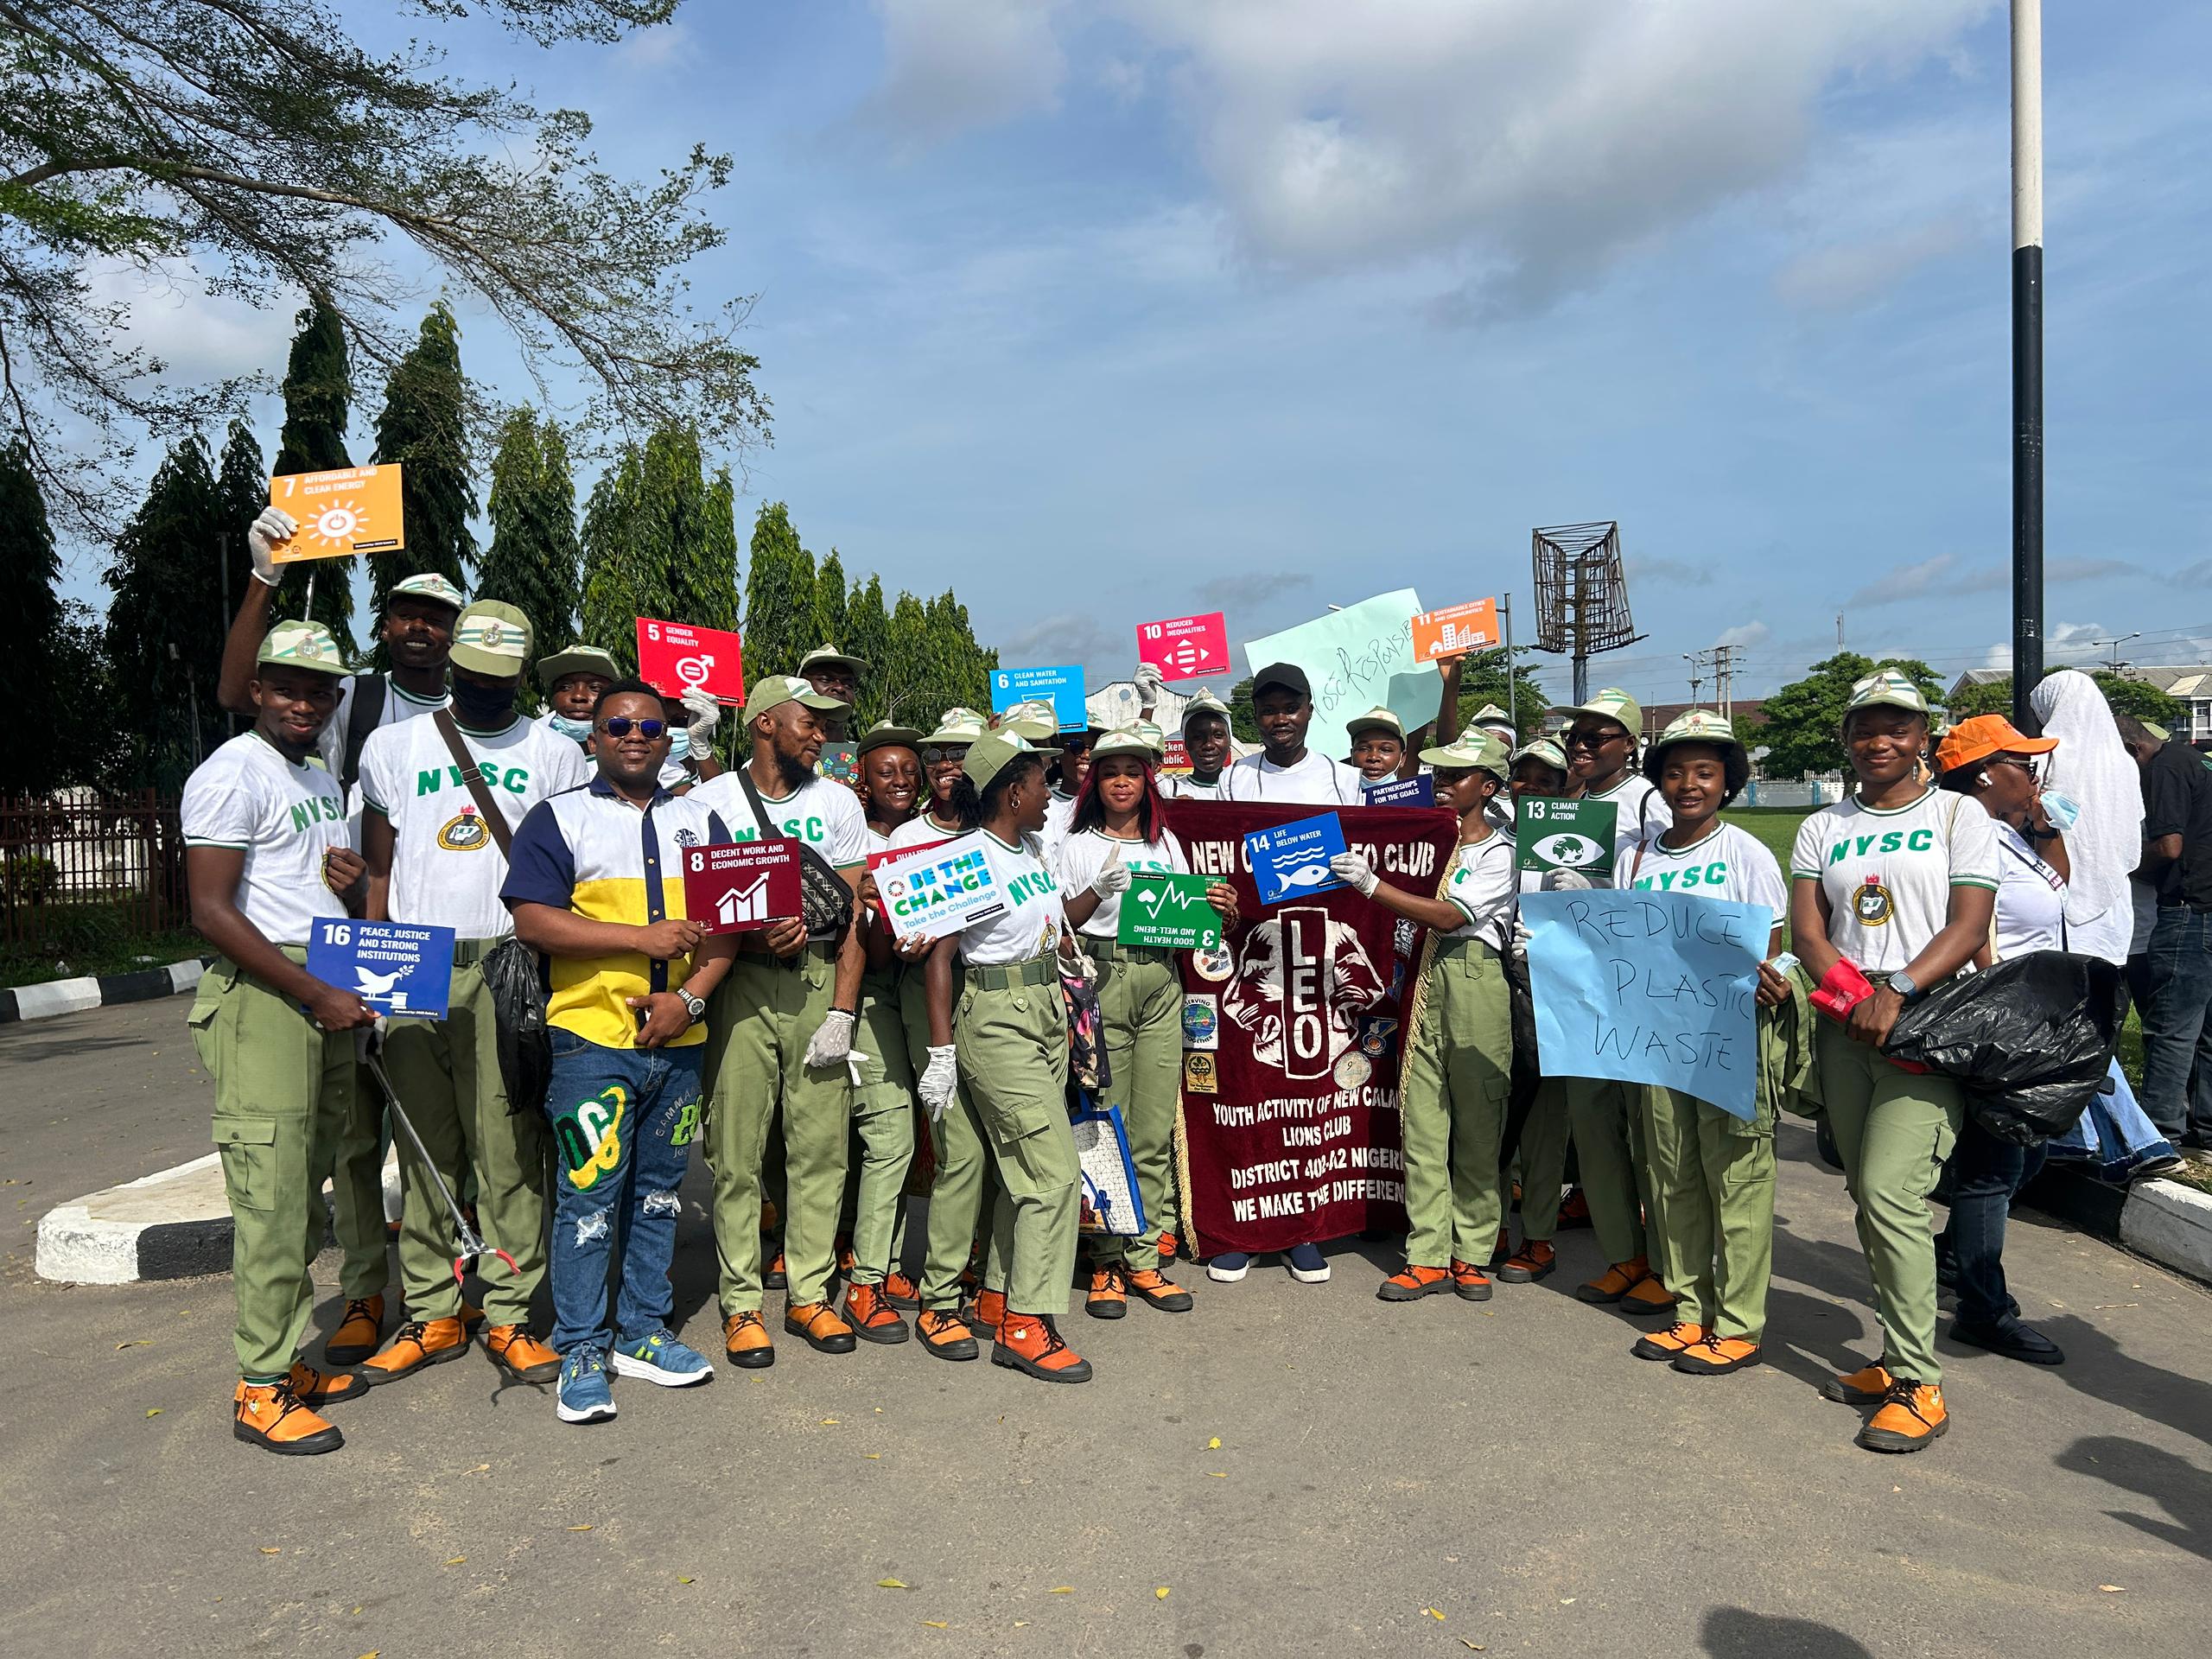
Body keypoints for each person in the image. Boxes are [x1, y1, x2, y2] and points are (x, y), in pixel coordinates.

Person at [217, 512, 466, 1367]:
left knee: (434, 1131)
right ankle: (364, 1291)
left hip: (427, 945)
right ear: (384, 625)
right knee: (356, 1136)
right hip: (350, 946)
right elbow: (239, 692)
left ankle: (440, 1293)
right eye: (407, 613)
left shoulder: (479, 711)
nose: (422, 627)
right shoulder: (345, 699)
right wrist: (265, 579)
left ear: (456, 635)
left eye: (438, 617)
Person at [352, 602, 588, 1389]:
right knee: (423, 1143)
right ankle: (433, 1312)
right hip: (413, 956)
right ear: (452, 661)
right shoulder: (393, 747)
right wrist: (370, 974)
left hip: (509, 959)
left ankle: (510, 1314)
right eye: (473, 674)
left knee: (507, 1145)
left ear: (523, 674)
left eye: (502, 678)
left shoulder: (555, 753)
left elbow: (570, 873)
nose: (486, 689)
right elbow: (379, 869)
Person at [502, 681, 738, 1423]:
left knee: (660, 1192)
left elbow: (729, 923)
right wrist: (639, 939)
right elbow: (533, 921)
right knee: (589, 1196)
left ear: (670, 738)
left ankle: (642, 1331)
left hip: (681, 1041)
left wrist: (687, 1001)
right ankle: (580, 1344)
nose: (635, 736)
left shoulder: (703, 820)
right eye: (618, 725)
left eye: (650, 727)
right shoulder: (559, 817)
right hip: (589, 1042)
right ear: (594, 737)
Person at [1789, 670, 1998, 1453]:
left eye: (1897, 727)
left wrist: (1899, 991)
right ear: (1847, 739)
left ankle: (1919, 1383)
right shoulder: (1823, 825)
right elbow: (1809, 931)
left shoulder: (1958, 815)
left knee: (1889, 1191)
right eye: (1866, 729)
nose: (1880, 741)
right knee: (1865, 1193)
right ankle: (1891, 1355)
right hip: (1848, 1020)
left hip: (1928, 1018)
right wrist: (1856, 1000)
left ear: (1923, 738)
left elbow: (1969, 923)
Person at [185, 620, 377, 1454]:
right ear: (257, 690)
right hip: (269, 998)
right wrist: (312, 993)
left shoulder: (316, 773)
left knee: (302, 1193)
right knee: (270, 1198)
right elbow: (211, 910)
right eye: (288, 688)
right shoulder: (231, 773)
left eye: (319, 691)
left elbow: (304, 883)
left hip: (321, 984)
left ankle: (286, 1359)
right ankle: (259, 1388)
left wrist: (354, 885)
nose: (305, 703)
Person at [691, 676, 870, 1366]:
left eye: (825, 724)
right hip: (737, 984)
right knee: (735, 1152)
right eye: (809, 722)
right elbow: (693, 905)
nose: (821, 735)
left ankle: (809, 1295)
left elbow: (853, 915)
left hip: (816, 983)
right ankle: (741, 1303)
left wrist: (842, 1011)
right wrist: (749, 932)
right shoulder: (710, 801)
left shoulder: (838, 802)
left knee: (819, 1150)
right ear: (765, 723)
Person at [1616, 711, 1796, 1376]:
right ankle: (1690, 1310)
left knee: (1737, 1181)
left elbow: (1772, 948)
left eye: (1705, 772)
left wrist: (1771, 979)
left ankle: (1740, 1325)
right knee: (1672, 1178)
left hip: (1727, 1040)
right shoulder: (1637, 856)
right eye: (1674, 772)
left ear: (1728, 781)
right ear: (1658, 781)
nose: (1688, 784)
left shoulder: (1745, 854)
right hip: (1657, 1039)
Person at [914, 734, 1092, 1382]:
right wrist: (941, 1052)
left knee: (1017, 1172)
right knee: (1053, 1175)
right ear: (1014, 793)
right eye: (1042, 783)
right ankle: (1024, 1324)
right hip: (997, 1019)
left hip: (1044, 1009)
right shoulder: (967, 858)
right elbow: (939, 957)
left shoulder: (1033, 851)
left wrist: (1095, 902)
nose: (1051, 793)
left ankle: (998, 1295)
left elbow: (1049, 924)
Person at [1328, 730, 1517, 1306]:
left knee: (1478, 1125)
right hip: (1418, 979)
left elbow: (1449, 916)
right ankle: (1427, 1253)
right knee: (1422, 1125)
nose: (1442, 784)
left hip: (1472, 975)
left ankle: (1473, 1252)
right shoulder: (1424, 845)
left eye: (1457, 776)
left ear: (1488, 788)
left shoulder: (1501, 852)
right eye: (1439, 774)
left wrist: (1371, 884)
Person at [1057, 727, 1233, 1316]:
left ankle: (1144, 1258)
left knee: (1153, 1129)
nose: (1121, 782)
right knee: (1107, 1124)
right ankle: (1106, 1262)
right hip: (1101, 979)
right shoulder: (1075, 844)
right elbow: (1057, 923)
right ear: (1094, 782)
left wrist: (1221, 910)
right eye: (1110, 772)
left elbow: (1196, 921)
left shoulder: (1167, 844)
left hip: (1160, 979)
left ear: (1147, 781)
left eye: (1132, 772)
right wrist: (1094, 891)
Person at [1929, 714, 2069, 1366]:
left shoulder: (2008, 832)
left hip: (2038, 1018)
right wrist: (2004, 1018)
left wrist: (2045, 826)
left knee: (2027, 1157)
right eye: (2023, 762)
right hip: (2003, 1020)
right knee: (1995, 1166)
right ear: (1985, 773)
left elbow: (2057, 888)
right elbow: (1973, 928)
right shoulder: (1971, 835)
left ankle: (1953, 1253)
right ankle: (1982, 1310)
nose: (2035, 773)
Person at [1547, 690, 1675, 1313]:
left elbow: (1669, 884)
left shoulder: (1649, 801)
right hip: (1575, 980)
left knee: (1649, 1135)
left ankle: (1668, 1264)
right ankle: (1624, 1256)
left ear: (1630, 744)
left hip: (1633, 982)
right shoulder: (1565, 803)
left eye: (1598, 737)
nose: (1582, 746)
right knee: (1594, 1128)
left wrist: (1602, 903)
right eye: (1576, 736)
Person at [843, 719, 928, 1341]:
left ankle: (893, 1262)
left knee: (915, 1135)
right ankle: (866, 1281)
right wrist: (870, 906)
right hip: (871, 995)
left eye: (909, 771)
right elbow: (866, 953)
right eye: (886, 771)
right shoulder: (849, 838)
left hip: (923, 991)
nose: (900, 780)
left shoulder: (928, 837)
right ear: (863, 780)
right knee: (889, 1135)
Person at [1497, 736, 1577, 1285]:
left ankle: (1540, 1238)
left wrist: (1584, 892)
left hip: (1553, 993)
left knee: (1545, 1126)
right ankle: (1492, 1228)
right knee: (1492, 1118)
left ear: (1563, 788)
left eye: (1545, 780)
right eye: (1522, 776)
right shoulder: (1491, 837)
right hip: (1494, 987)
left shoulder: (1581, 844)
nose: (1531, 787)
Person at [2113, 711, 2212, 1155]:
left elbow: (2169, 846)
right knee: (2207, 1031)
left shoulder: (2164, 768)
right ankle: (2205, 1129)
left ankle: (2160, 1133)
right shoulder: (2199, 762)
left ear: (2133, 750)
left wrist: (2123, 866)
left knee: (2172, 1027)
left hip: (2187, 908)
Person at [2029, 671, 2143, 967]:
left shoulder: (2045, 755)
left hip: (2054, 880)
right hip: (2112, 889)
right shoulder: (2125, 761)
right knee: (2105, 981)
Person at [1221, 664, 1365, 804]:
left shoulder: (1345, 781)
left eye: (1291, 709)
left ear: (1309, 712)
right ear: (1256, 717)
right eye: (1268, 711)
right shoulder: (1233, 779)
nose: (1280, 720)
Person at [1160, 689, 1236, 799]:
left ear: (1229, 741)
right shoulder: (1169, 790)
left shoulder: (1245, 789)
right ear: (1186, 744)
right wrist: (1148, 705)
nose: (1209, 745)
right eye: (1197, 737)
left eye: (1218, 736)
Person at [1346, 707, 1408, 786]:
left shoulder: (1419, 794)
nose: (1373, 757)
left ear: (1402, 758)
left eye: (1386, 750)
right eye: (1363, 749)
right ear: (1352, 754)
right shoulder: (1334, 793)